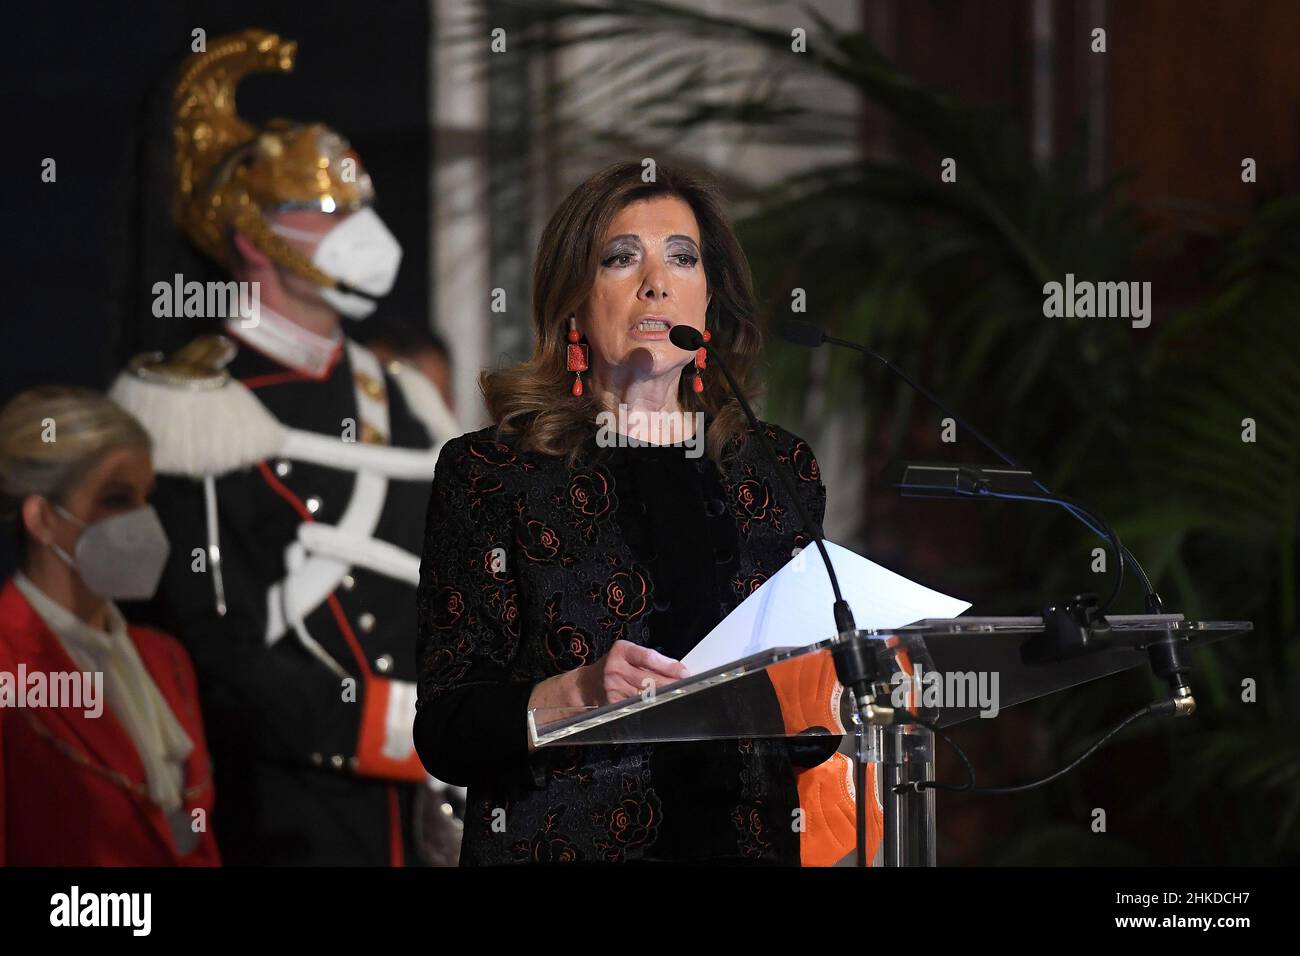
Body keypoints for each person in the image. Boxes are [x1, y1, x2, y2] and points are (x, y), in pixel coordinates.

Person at [414, 161, 865, 865]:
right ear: (572, 300)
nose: (656, 281)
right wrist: (578, 690)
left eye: (682, 259)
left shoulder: (777, 469)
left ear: (711, 301)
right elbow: (446, 728)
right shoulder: (492, 473)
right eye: (622, 258)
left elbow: (807, 738)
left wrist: (848, 684)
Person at [110, 28, 462, 865]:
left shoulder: (402, 396)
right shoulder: (184, 407)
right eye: (329, 209)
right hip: (291, 814)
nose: (359, 228)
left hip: (440, 807)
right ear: (249, 231)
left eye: (360, 207)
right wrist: (398, 728)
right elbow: (221, 656)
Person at [0, 387, 220, 866]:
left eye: (146, 498)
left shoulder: (166, 660)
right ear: (42, 519)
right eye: (117, 499)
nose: (142, 520)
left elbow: (193, 842)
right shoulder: (7, 665)